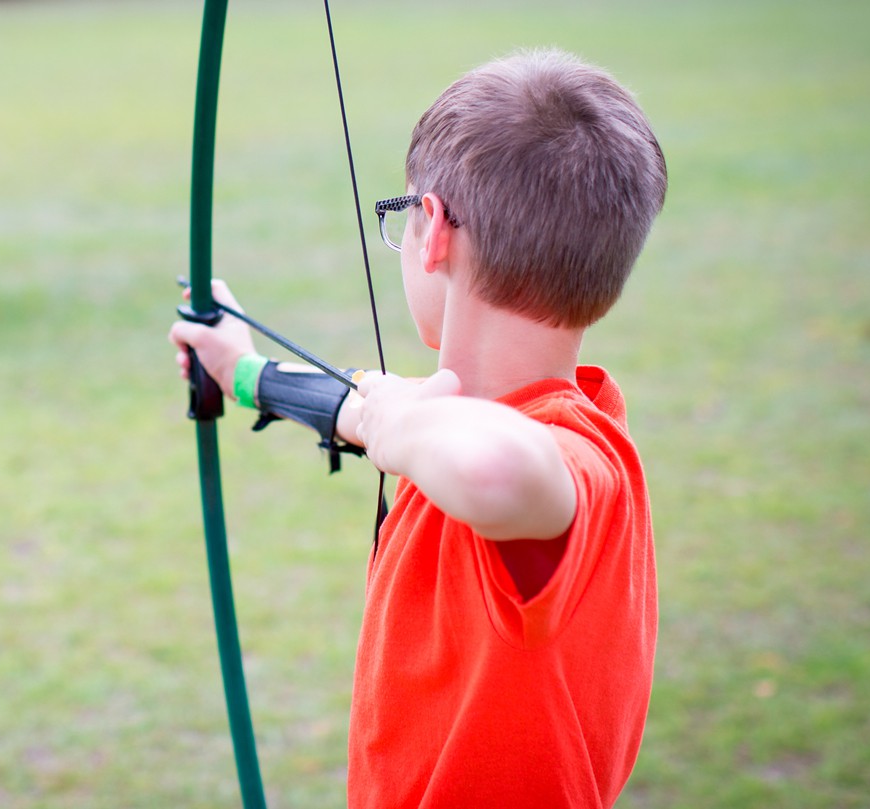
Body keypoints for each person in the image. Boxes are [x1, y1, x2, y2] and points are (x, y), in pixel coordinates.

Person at [169, 48, 665, 807]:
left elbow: (489, 465)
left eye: (403, 215)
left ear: (431, 228)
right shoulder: (475, 425)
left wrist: (397, 425)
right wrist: (243, 371)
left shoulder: (576, 458)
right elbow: (378, 411)